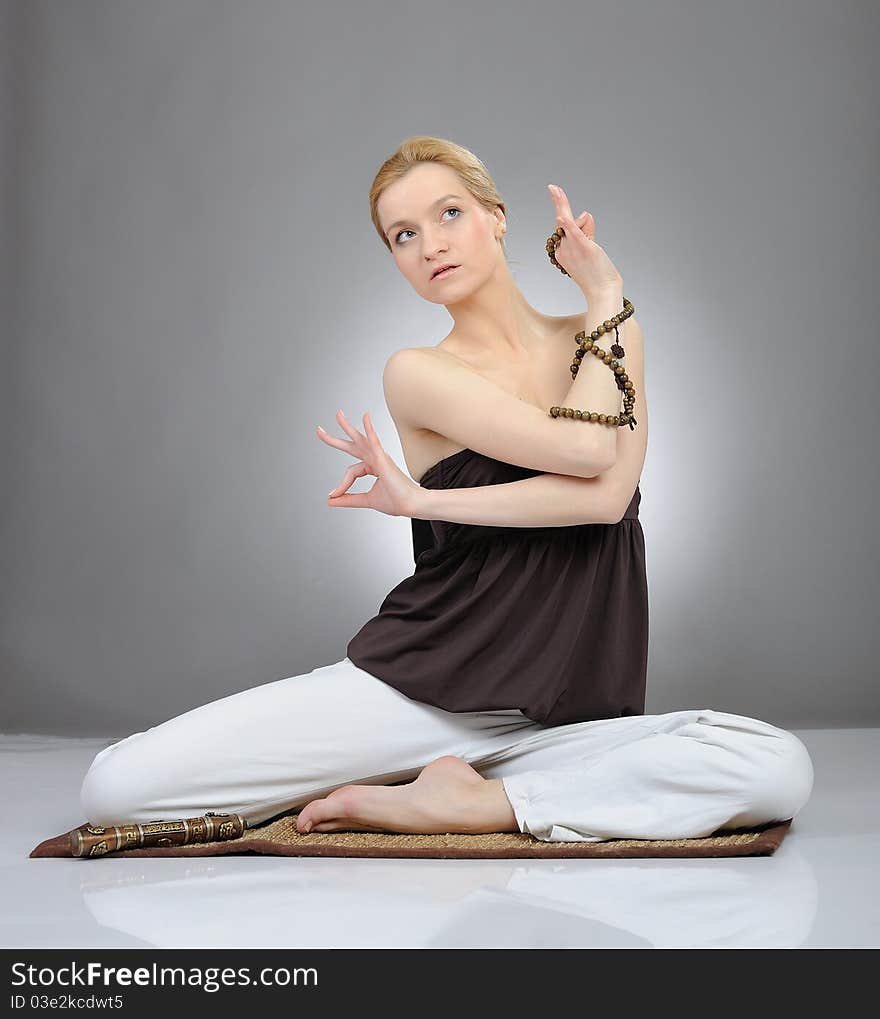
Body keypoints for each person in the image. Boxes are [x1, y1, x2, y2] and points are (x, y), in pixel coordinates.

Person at [80, 137, 814, 843]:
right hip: (425, 693)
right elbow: (586, 447)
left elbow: (604, 497)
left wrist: (604, 293)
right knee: (115, 789)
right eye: (402, 235)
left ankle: (476, 803)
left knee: (776, 764)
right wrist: (606, 299)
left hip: (562, 720)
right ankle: (449, 783)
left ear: (496, 217)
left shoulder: (610, 327)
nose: (429, 244)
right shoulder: (419, 374)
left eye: (448, 213)